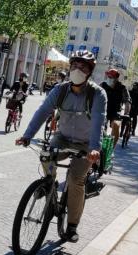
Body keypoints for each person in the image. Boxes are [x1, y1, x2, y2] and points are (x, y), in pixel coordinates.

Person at [16, 50, 106, 243]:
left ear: (89, 71)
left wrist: (94, 148)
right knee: (46, 154)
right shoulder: (60, 90)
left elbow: (98, 121)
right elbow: (42, 112)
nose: (77, 69)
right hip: (63, 138)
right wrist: (27, 135)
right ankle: (49, 183)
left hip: (86, 144)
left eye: (82, 67)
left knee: (75, 180)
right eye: (74, 65)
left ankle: (72, 226)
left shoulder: (98, 94)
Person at [100, 68, 131, 148]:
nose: (109, 79)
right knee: (98, 126)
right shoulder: (102, 85)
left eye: (111, 77)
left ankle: (111, 149)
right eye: (108, 77)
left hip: (115, 111)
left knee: (116, 125)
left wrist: (127, 113)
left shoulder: (122, 88)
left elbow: (127, 101)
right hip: (103, 109)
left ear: (116, 78)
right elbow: (93, 95)